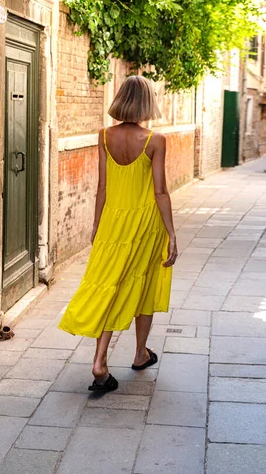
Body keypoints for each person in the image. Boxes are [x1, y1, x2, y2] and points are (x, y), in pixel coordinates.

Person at [58, 75, 178, 392]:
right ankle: (135, 354)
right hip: (145, 225)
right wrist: (172, 234)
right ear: (147, 102)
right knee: (144, 283)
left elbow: (102, 186)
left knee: (111, 285)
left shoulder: (104, 135)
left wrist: (97, 225)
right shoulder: (155, 140)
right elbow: (161, 192)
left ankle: (106, 360)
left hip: (113, 221)